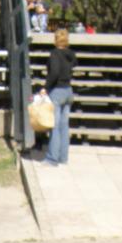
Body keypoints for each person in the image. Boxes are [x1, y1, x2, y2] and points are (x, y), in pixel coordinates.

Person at [42, 28, 76, 165]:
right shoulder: (71, 54)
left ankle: (52, 158)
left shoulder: (55, 54)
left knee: (54, 126)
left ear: (56, 39)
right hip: (68, 90)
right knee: (64, 125)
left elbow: (54, 73)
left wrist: (45, 87)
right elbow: (74, 64)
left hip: (57, 90)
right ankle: (63, 157)